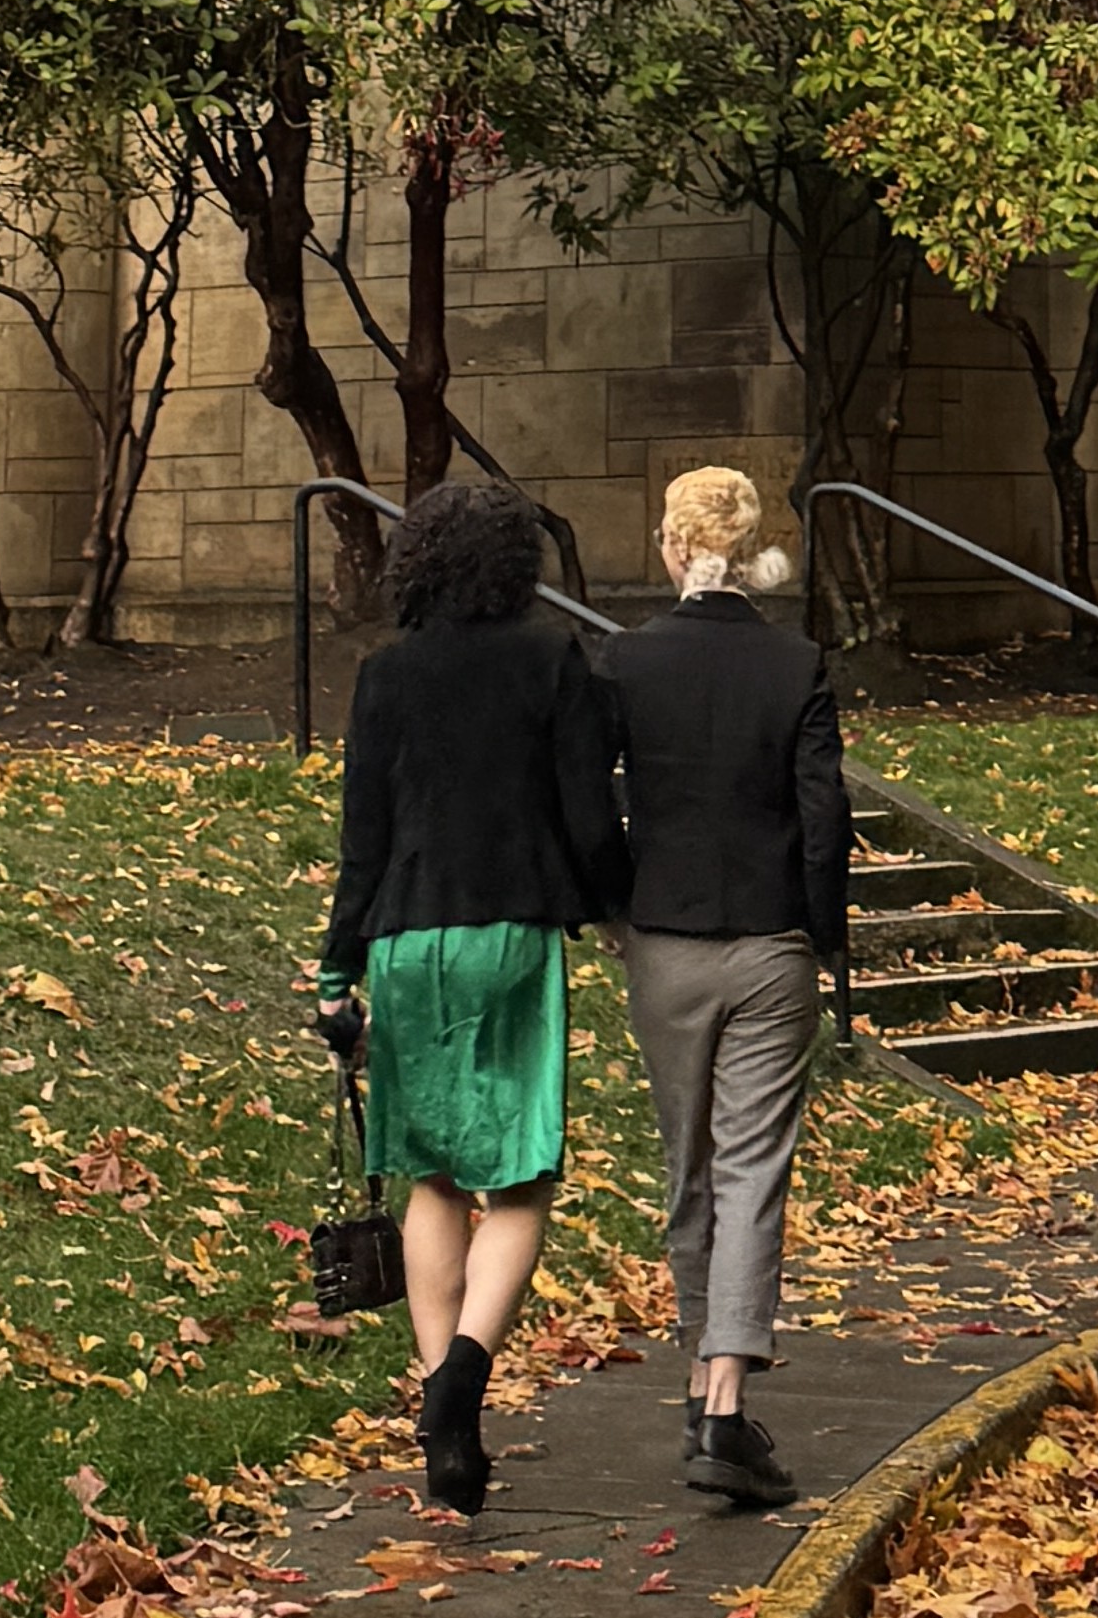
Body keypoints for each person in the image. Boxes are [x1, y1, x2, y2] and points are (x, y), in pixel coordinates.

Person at [317, 472, 625, 1521]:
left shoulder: (384, 677)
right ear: (514, 563)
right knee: (521, 1176)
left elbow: (364, 837)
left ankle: (437, 1402)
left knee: (433, 1177)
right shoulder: (551, 658)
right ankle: (464, 1373)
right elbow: (589, 817)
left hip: (404, 939)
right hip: (513, 937)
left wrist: (334, 967)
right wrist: (609, 902)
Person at [601, 461, 853, 1513]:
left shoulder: (624, 662)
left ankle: (702, 1375)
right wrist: (824, 938)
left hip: (662, 939)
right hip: (770, 942)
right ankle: (721, 1396)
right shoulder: (797, 664)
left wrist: (614, 907)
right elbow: (824, 816)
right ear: (752, 558)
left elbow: (586, 794)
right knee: (754, 1166)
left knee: (689, 1163)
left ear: (672, 547)